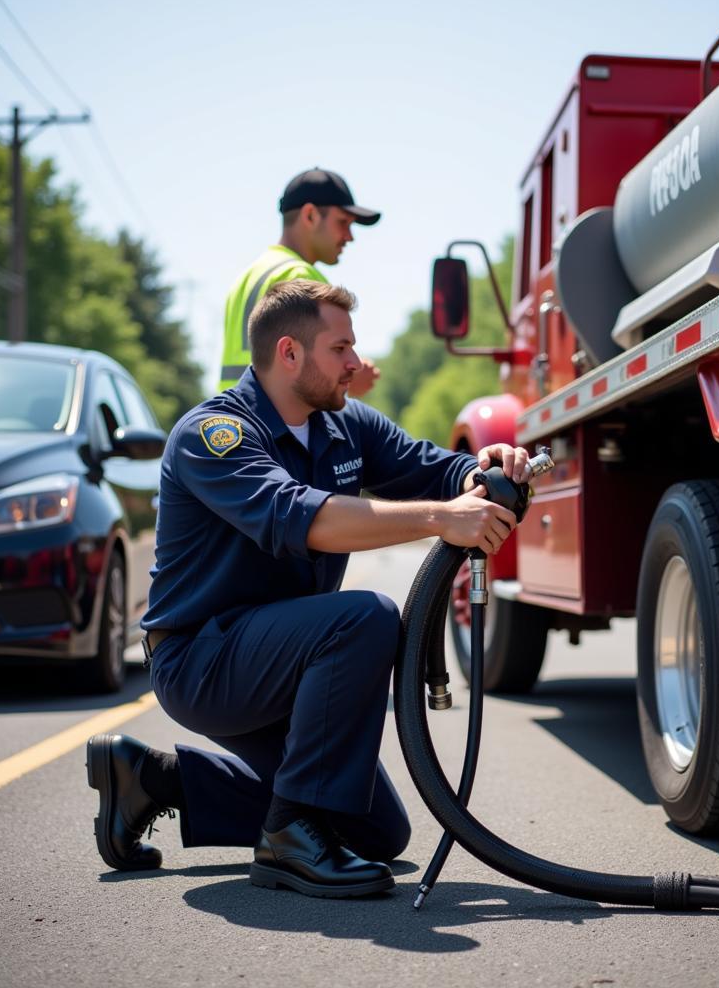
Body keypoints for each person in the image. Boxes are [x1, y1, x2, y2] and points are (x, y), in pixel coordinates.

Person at [87, 279, 531, 899]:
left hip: (286, 660)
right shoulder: (213, 434)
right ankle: (289, 838)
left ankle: (154, 781)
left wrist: (486, 468)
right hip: (202, 660)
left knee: (377, 831)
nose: (355, 362)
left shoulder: (342, 425)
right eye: (341, 347)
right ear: (290, 353)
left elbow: (430, 465)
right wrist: (440, 517)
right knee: (364, 618)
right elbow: (307, 518)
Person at [218, 168, 382, 395]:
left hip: (235, 418)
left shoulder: (248, 276)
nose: (349, 236)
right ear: (310, 215)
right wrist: (352, 377)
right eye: (343, 222)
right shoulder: (301, 277)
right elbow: (307, 373)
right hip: (277, 424)